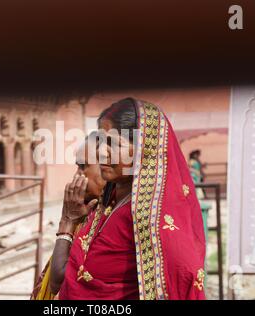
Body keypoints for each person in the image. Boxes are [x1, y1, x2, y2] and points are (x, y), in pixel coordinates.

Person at [52, 98, 206, 300]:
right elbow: (65, 279)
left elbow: (184, 276)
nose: (101, 153)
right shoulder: (108, 204)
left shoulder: (150, 217)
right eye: (100, 142)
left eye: (114, 144)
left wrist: (67, 222)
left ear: (145, 149)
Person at [31, 132, 106, 299]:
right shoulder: (90, 214)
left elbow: (58, 283)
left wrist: (67, 221)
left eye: (83, 166)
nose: (76, 176)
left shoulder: (111, 219)